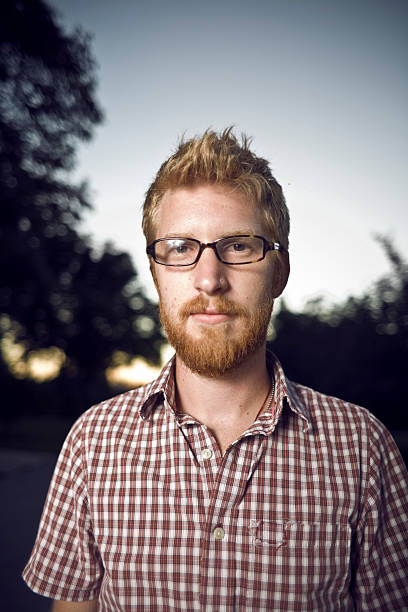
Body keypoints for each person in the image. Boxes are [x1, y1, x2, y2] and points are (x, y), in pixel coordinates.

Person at [23, 128, 408, 611]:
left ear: (280, 271)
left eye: (241, 246)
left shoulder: (362, 447)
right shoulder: (91, 441)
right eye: (181, 248)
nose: (209, 278)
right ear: (157, 273)